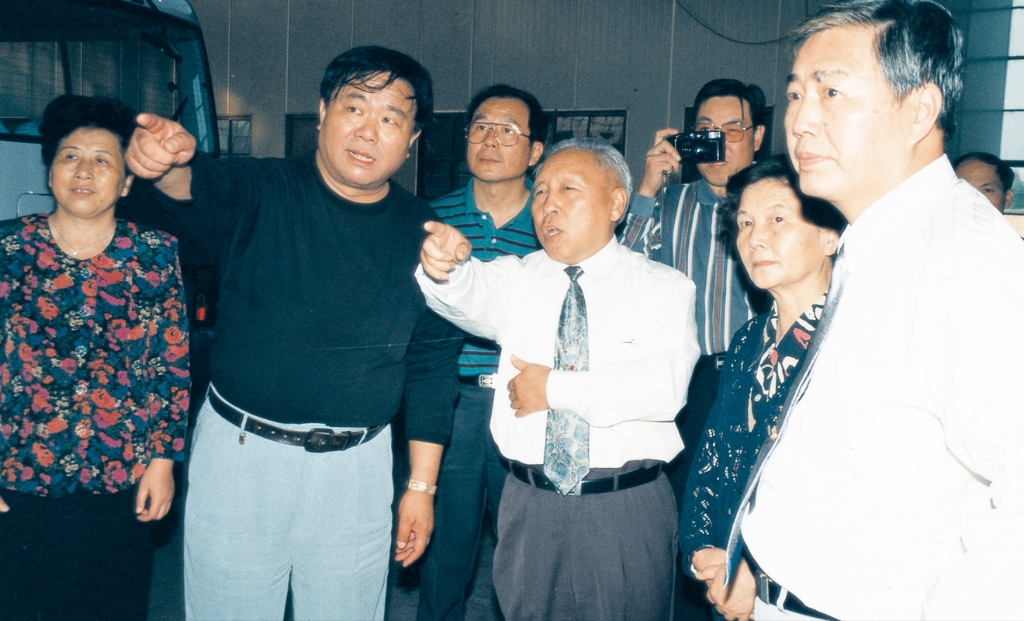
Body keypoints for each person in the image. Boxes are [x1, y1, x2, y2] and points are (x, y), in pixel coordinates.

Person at [125, 46, 461, 620]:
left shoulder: (426, 234)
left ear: (411, 140)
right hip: (241, 459)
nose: (368, 131)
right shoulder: (262, 188)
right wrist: (168, 162)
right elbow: (196, 187)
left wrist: (421, 488)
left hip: (357, 470)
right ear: (323, 112)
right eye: (355, 107)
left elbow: (431, 367)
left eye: (390, 118)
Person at [723, 2, 1024, 619]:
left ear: (919, 110)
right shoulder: (880, 237)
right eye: (796, 94)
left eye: (831, 92)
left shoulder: (963, 259)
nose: (801, 121)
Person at [417, 137, 701, 621]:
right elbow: (470, 291)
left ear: (617, 204)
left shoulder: (664, 287)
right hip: (532, 504)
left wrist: (552, 388)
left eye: (569, 189)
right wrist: (445, 267)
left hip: (624, 506)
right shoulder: (519, 277)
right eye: (542, 191)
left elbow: (662, 388)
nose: (549, 205)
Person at [0, 94, 189, 620]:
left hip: (120, 474)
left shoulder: (154, 253)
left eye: (103, 159)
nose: (84, 171)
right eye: (70, 156)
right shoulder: (9, 248)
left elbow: (169, 364)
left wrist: (163, 461)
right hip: (20, 471)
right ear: (50, 172)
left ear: (126, 182)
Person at [678, 155, 845, 621]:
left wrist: (749, 565)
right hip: (729, 578)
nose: (755, 238)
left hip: (805, 589)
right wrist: (704, 550)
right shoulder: (750, 337)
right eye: (745, 223)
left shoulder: (849, 340)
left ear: (830, 236)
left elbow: (837, 490)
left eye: (777, 219)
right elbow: (713, 454)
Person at [417, 83, 545, 621]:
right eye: (481, 127)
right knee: (444, 554)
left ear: (535, 151)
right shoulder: (433, 219)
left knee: (528, 556)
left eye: (508, 130)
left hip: (528, 403)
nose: (491, 140)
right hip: (456, 404)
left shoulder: (553, 222)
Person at [620, 79, 769, 501]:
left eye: (732, 130)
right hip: (687, 380)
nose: (717, 143)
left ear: (757, 136)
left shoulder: (782, 204)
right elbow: (620, 272)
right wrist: (647, 187)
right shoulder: (668, 204)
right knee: (682, 500)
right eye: (706, 130)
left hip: (759, 372)